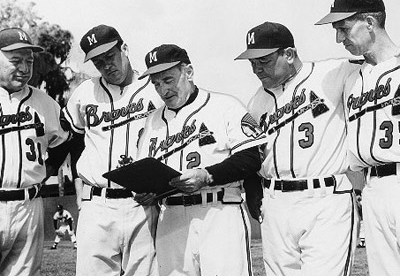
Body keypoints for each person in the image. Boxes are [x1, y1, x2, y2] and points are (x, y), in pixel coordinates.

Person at [235, 21, 359, 276]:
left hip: (325, 197)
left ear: (289, 54)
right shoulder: (256, 103)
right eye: (252, 63)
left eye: (264, 61)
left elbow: (381, 63)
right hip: (275, 203)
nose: (257, 69)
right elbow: (251, 156)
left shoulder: (333, 73)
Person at [136, 44, 267, 276]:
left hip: (219, 210)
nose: (163, 90)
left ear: (189, 72)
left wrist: (207, 175)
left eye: (168, 80)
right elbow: (145, 170)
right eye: (156, 84)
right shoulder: (152, 122)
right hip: (172, 217)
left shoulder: (224, 106)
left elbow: (251, 157)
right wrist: (145, 192)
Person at [64, 24, 162, 276]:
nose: (107, 66)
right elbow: (74, 141)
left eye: (110, 57)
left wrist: (162, 189)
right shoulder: (84, 93)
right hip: (97, 204)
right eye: (98, 62)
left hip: (142, 203)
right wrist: (78, 189)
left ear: (125, 49)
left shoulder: (154, 89)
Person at [315, 0, 400, 275]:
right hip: (373, 189)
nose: (339, 38)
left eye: (343, 27)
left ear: (369, 22)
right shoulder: (350, 78)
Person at [0, 28, 70, 276]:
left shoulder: (46, 103)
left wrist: (46, 174)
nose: (24, 68)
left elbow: (63, 144)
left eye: (29, 61)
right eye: (15, 61)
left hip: (29, 205)